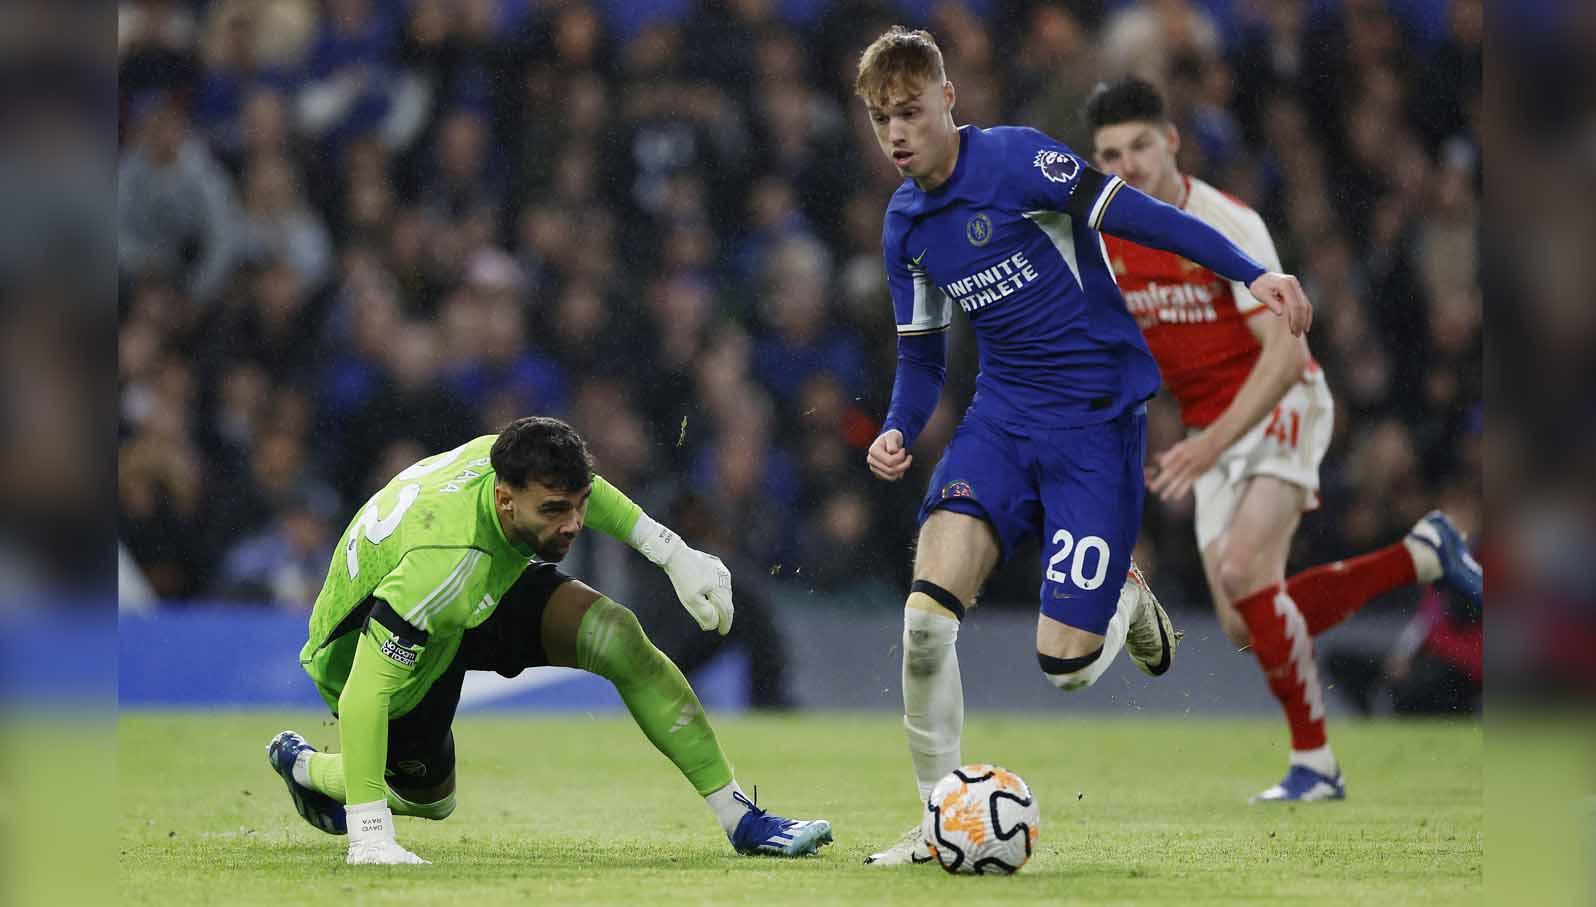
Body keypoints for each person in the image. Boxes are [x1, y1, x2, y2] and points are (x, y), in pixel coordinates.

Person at [853, 28, 1313, 865]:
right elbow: (921, 356)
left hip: (1095, 425)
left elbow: (1137, 214)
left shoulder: (1020, 162)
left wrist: (1251, 272)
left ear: (949, 101)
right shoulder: (905, 226)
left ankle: (1124, 597)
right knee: (924, 625)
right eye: (882, 117)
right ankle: (938, 821)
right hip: (999, 419)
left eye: (910, 112)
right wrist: (896, 426)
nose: (896, 134)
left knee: (1063, 667)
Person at [1085, 77, 1482, 802]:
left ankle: (1316, 763)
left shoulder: (1225, 223)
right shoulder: (1107, 241)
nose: (1127, 167)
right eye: (1109, 155)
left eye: (1140, 145)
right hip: (1213, 429)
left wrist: (1210, 445)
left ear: (1172, 141)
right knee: (1244, 621)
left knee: (1242, 567)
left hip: (1281, 401)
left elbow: (1285, 354)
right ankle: (1420, 554)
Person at [264, 416, 831, 864]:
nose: (573, 523)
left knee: (617, 637)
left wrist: (673, 553)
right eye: (555, 511)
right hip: (372, 647)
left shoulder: (510, 464)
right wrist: (369, 835)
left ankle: (741, 820)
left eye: (576, 505)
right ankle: (308, 768)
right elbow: (365, 691)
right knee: (430, 801)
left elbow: (584, 490)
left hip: (475, 583)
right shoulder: (441, 564)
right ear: (507, 500)